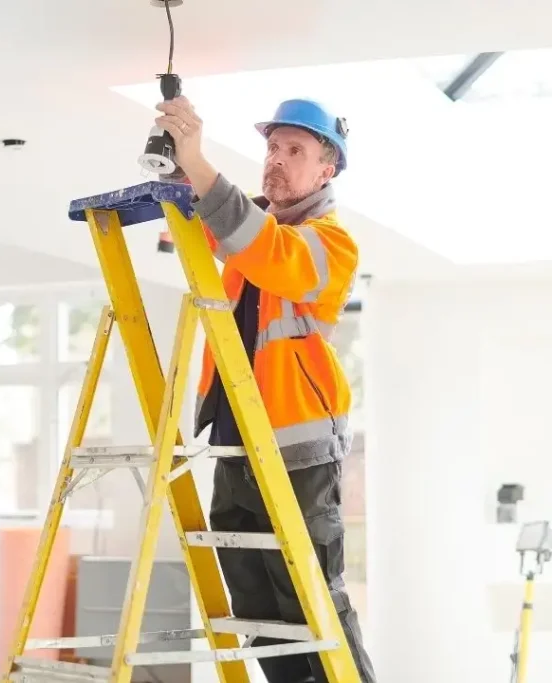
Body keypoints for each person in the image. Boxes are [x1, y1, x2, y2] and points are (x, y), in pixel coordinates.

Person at [154, 97, 376, 683]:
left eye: (294, 151)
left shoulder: (331, 242)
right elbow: (207, 233)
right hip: (235, 444)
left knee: (310, 599)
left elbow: (270, 254)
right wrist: (178, 163)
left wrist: (200, 166)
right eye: (272, 148)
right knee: (256, 607)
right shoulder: (248, 227)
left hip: (295, 450)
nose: (275, 161)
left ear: (326, 171)